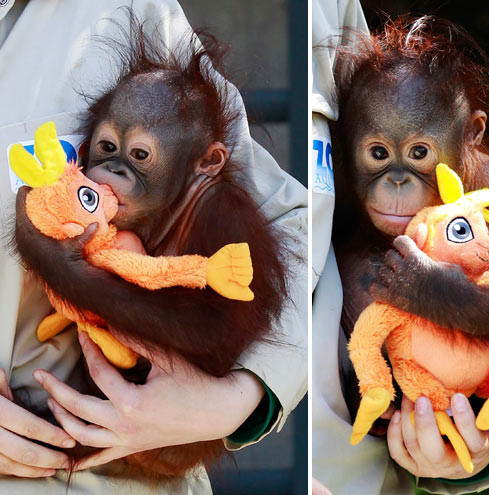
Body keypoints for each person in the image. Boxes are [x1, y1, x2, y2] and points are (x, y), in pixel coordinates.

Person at [0, 0, 307, 492]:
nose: (111, 172)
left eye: (138, 156)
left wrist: (239, 397)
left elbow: (297, 228)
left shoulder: (112, 11)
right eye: (103, 149)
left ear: (204, 165)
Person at [311, 1, 489, 493]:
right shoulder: (338, 183)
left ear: (471, 138)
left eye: (419, 155)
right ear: (346, 143)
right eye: (379, 155)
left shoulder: (488, 199)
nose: (398, 182)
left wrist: (482, 443)